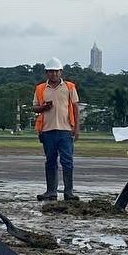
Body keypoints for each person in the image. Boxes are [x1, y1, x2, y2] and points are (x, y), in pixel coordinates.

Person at [33, 59, 80, 202]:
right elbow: (34, 107)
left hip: (65, 130)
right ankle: (51, 191)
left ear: (61, 72)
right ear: (47, 72)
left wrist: (77, 128)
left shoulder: (69, 87)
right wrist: (43, 108)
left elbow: (75, 107)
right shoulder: (40, 88)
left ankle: (68, 192)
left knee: (67, 162)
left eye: (56, 71)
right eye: (51, 71)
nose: (54, 74)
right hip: (47, 130)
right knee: (50, 161)